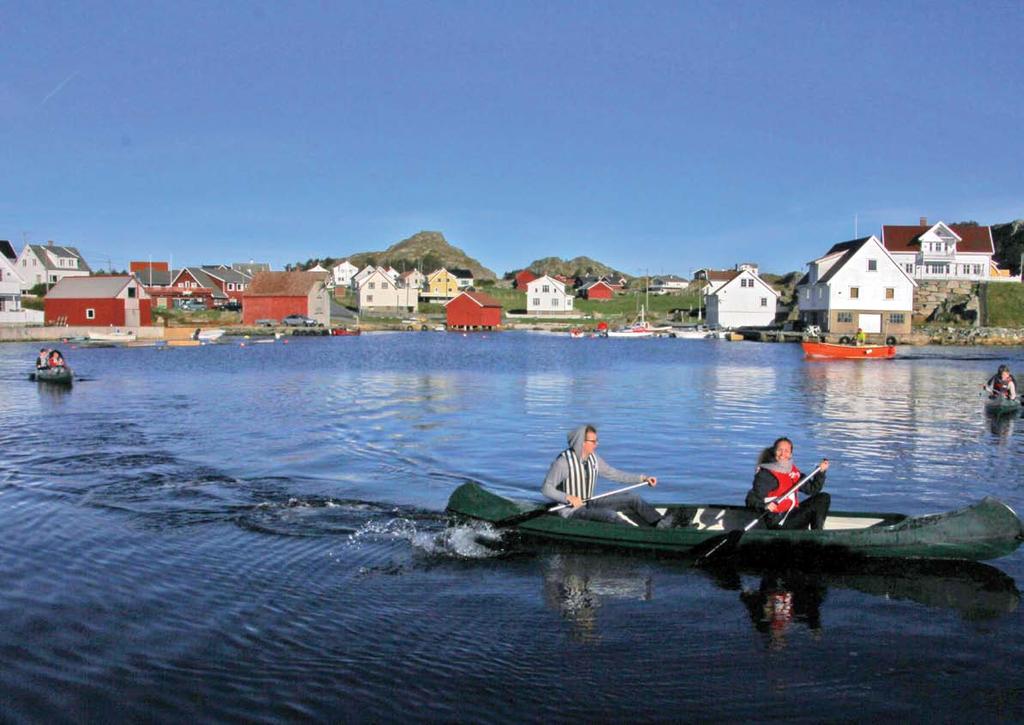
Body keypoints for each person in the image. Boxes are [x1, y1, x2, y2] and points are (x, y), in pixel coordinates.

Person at [542, 424, 675, 528]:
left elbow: (614, 474)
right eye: (593, 441)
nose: (597, 444)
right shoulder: (562, 463)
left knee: (633, 498)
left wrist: (642, 478)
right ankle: (636, 533)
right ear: (581, 442)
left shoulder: (593, 459)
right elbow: (546, 489)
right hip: (570, 511)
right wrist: (568, 497)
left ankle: (661, 524)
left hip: (589, 502)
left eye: (597, 440)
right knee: (609, 515)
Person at [745, 437, 830, 530]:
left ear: (790, 454)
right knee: (821, 500)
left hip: (792, 514)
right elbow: (750, 499)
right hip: (778, 521)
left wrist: (820, 472)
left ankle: (816, 533)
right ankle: (817, 536)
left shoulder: (793, 471)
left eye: (786, 451)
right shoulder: (766, 475)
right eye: (779, 450)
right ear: (774, 452)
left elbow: (813, 490)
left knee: (823, 498)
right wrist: (764, 505)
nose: (782, 454)